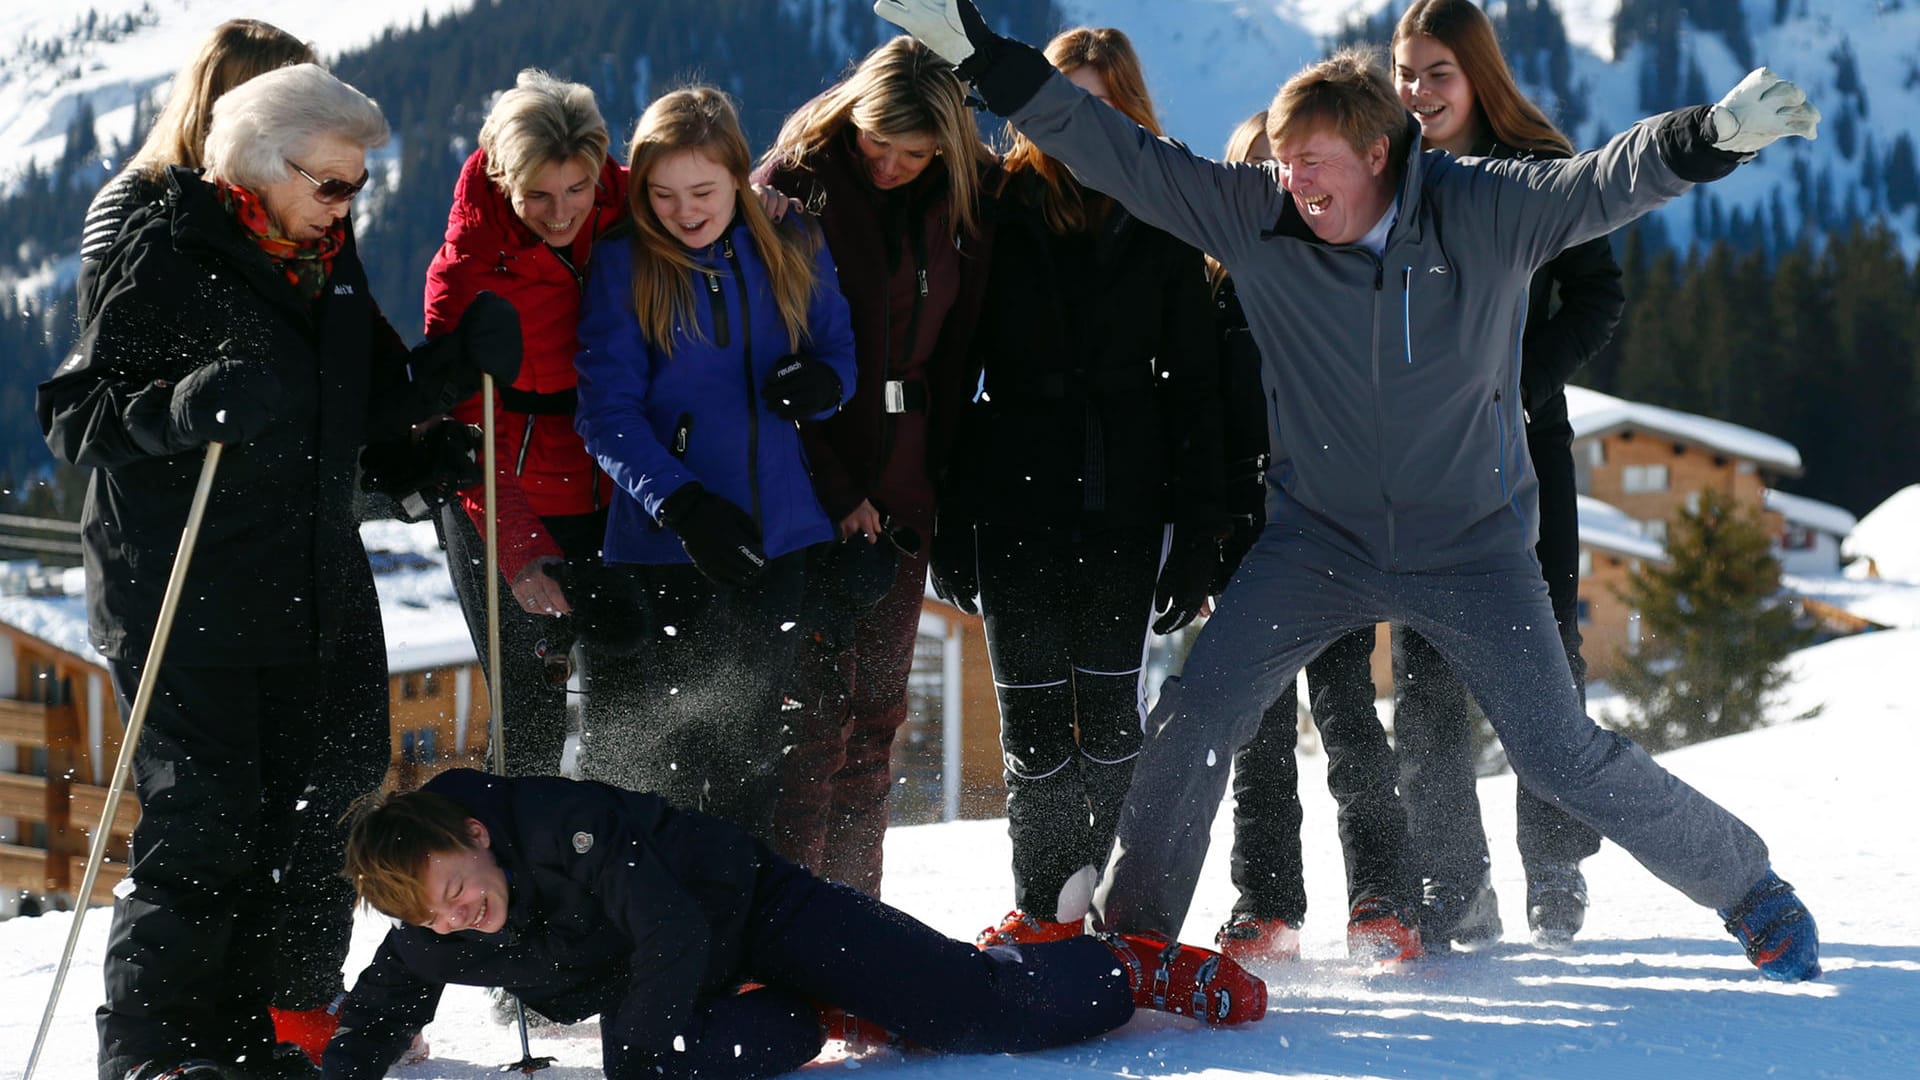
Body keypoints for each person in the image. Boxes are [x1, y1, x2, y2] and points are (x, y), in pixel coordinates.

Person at [875, 0, 1825, 981]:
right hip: (1315, 545)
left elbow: (1601, 184)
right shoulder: (1261, 216)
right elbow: (1123, 154)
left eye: (1314, 160)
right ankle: (1135, 936)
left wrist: (1709, 139)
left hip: (1475, 549)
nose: (1296, 181)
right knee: (1199, 715)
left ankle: (1750, 890)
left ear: (1379, 153)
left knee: (1559, 757)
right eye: (1284, 160)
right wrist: (988, 61)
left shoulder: (1484, 209)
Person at [38, 64, 521, 1080]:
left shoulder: (325, 259)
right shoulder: (171, 253)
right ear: (263, 167)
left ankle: (279, 1022)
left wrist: (453, 373)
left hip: (313, 578)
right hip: (190, 584)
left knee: (330, 804)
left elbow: (370, 398)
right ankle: (158, 1051)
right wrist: (181, 409)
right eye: (334, 184)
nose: (349, 205)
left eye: (358, 188)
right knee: (208, 821)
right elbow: (74, 416)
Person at [320, 769, 1264, 1080]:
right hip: (703, 988)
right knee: (653, 1053)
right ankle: (811, 1013)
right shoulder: (434, 932)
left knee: (977, 1020)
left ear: (476, 836)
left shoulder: (570, 831)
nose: (453, 917)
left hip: (756, 915)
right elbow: (375, 1008)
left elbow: (671, 934)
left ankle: (1113, 970)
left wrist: (641, 1060)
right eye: (427, 913)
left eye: (450, 885)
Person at [926, 26, 1224, 949]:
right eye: (1062, 100)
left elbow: (1197, 379)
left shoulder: (1162, 202)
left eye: (1097, 104)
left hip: (1128, 490)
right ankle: (1045, 908)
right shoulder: (997, 201)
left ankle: (1115, 912)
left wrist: (1204, 530)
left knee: (1107, 712)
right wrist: (944, 520)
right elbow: (952, 368)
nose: (1074, 123)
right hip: (1011, 487)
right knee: (1032, 721)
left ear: (1127, 109)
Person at [1388, 0, 1626, 951]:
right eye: (1405, 72)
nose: (1417, 92)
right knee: (1427, 673)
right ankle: (1456, 881)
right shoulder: (1389, 170)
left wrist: (1517, 385)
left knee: (1543, 672)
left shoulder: (1538, 170)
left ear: (1477, 73)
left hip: (1527, 452)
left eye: (1437, 72)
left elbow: (1598, 295)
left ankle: (1556, 870)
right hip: (1417, 464)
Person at [572, 86, 857, 840]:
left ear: (740, 175)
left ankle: (736, 941)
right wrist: (682, 504)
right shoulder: (626, 264)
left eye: (702, 190)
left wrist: (827, 385)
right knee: (659, 767)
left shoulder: (794, 245)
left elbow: (839, 351)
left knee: (751, 762)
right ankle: (646, 934)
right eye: (661, 194)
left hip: (778, 541)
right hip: (667, 549)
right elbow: (605, 414)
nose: (684, 211)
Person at [755, 37, 994, 895]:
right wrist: (837, 491)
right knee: (807, 727)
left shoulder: (966, 199)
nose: (890, 165)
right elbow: (767, 361)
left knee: (875, 723)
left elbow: (961, 351)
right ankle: (787, 939)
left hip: (907, 488)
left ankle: (854, 936)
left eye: (914, 152)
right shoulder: (792, 189)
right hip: (807, 479)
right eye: (875, 143)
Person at [1207, 110, 1422, 968]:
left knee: (1345, 714)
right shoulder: (1215, 289)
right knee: (1252, 727)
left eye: (1285, 170)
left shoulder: (1343, 277)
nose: (1277, 186)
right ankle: (1264, 903)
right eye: (1255, 171)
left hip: (1326, 528)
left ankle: (1385, 895)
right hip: (1241, 532)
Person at [423, 69, 635, 781]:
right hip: (503, 497)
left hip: (611, 487)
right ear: (504, 176)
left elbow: (712, 196)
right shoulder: (466, 271)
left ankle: (623, 869)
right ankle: (516, 872)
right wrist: (518, 550)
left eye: (578, 189)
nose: (561, 212)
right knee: (531, 713)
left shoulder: (629, 201)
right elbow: (465, 432)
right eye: (537, 195)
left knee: (628, 696)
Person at [78, 19, 315, 318]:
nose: (314, 123)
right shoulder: (134, 199)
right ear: (244, 103)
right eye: (297, 103)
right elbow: (108, 337)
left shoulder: (300, 205)